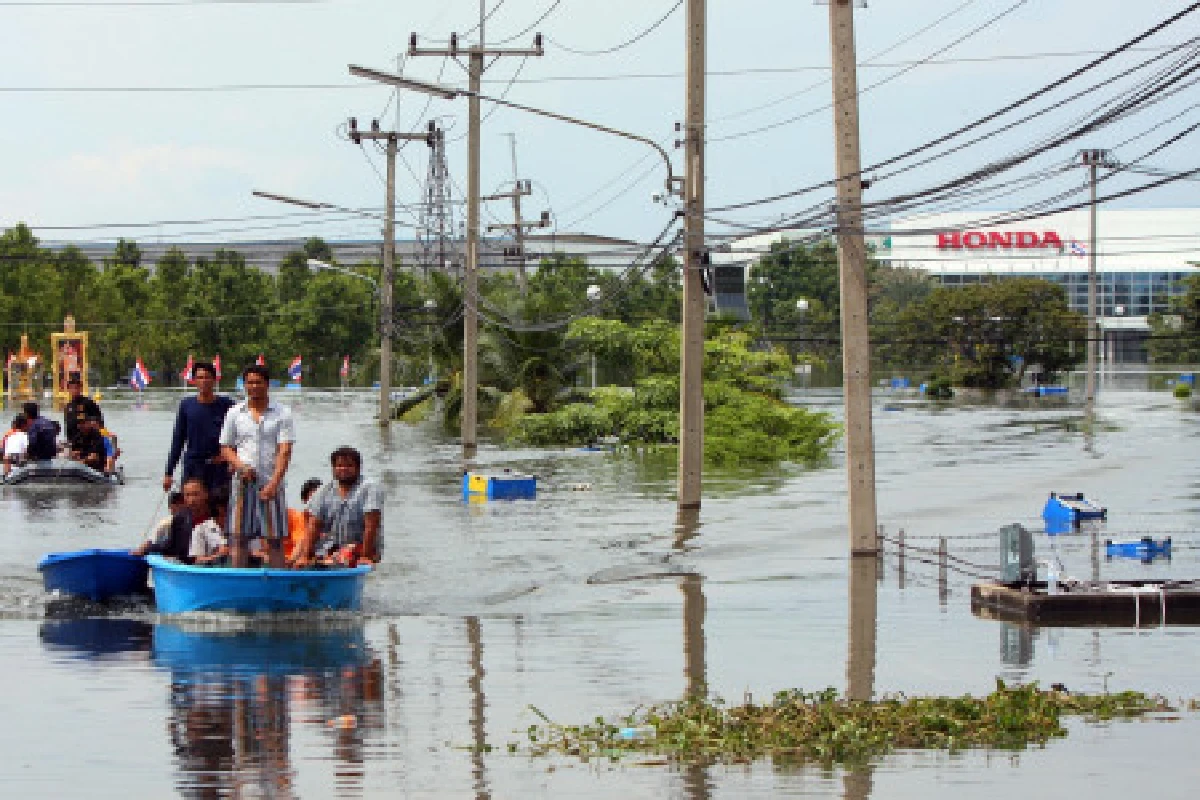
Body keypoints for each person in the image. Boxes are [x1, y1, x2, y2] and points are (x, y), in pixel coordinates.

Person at [219, 364, 295, 567]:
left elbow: (285, 451)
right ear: (244, 385)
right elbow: (225, 448)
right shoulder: (235, 412)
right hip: (243, 481)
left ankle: (278, 579)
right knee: (239, 537)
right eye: (249, 382)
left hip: (272, 481)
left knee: (274, 539)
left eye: (258, 382)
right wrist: (240, 466)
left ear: (267, 384)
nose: (253, 386)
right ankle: (238, 580)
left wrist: (274, 482)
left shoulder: (282, 413)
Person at [293, 446, 383, 568]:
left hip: (359, 547)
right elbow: (313, 524)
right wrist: (305, 556)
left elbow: (371, 525)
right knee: (300, 562)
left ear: (358, 468)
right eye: (339, 465)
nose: (343, 469)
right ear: (333, 468)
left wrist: (365, 556)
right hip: (330, 547)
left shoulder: (370, 487)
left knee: (341, 559)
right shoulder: (324, 490)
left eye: (349, 466)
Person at [163, 361, 236, 493]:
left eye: (207, 377)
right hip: (194, 465)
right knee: (193, 504)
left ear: (214, 380)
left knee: (220, 506)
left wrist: (232, 458)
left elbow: (239, 436)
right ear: (194, 381)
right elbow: (178, 440)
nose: (204, 381)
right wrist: (169, 473)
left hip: (219, 466)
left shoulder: (228, 405)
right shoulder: (186, 405)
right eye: (200, 378)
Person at [133, 478, 210, 561]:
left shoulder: (217, 516)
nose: (192, 500)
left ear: (206, 494)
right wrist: (147, 548)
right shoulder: (180, 519)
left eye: (195, 494)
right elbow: (171, 546)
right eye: (187, 495)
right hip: (188, 566)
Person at [286, 478, 323, 563]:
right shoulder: (292, 516)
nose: (315, 503)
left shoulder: (329, 519)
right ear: (304, 500)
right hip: (291, 559)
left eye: (319, 500)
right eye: (312, 499)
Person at [63, 375, 103, 443]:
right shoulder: (68, 406)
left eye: (76, 388)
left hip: (88, 441)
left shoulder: (88, 402)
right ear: (68, 389)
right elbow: (67, 426)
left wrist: (91, 424)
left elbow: (100, 420)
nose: (74, 390)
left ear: (80, 389)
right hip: (73, 441)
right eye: (71, 388)